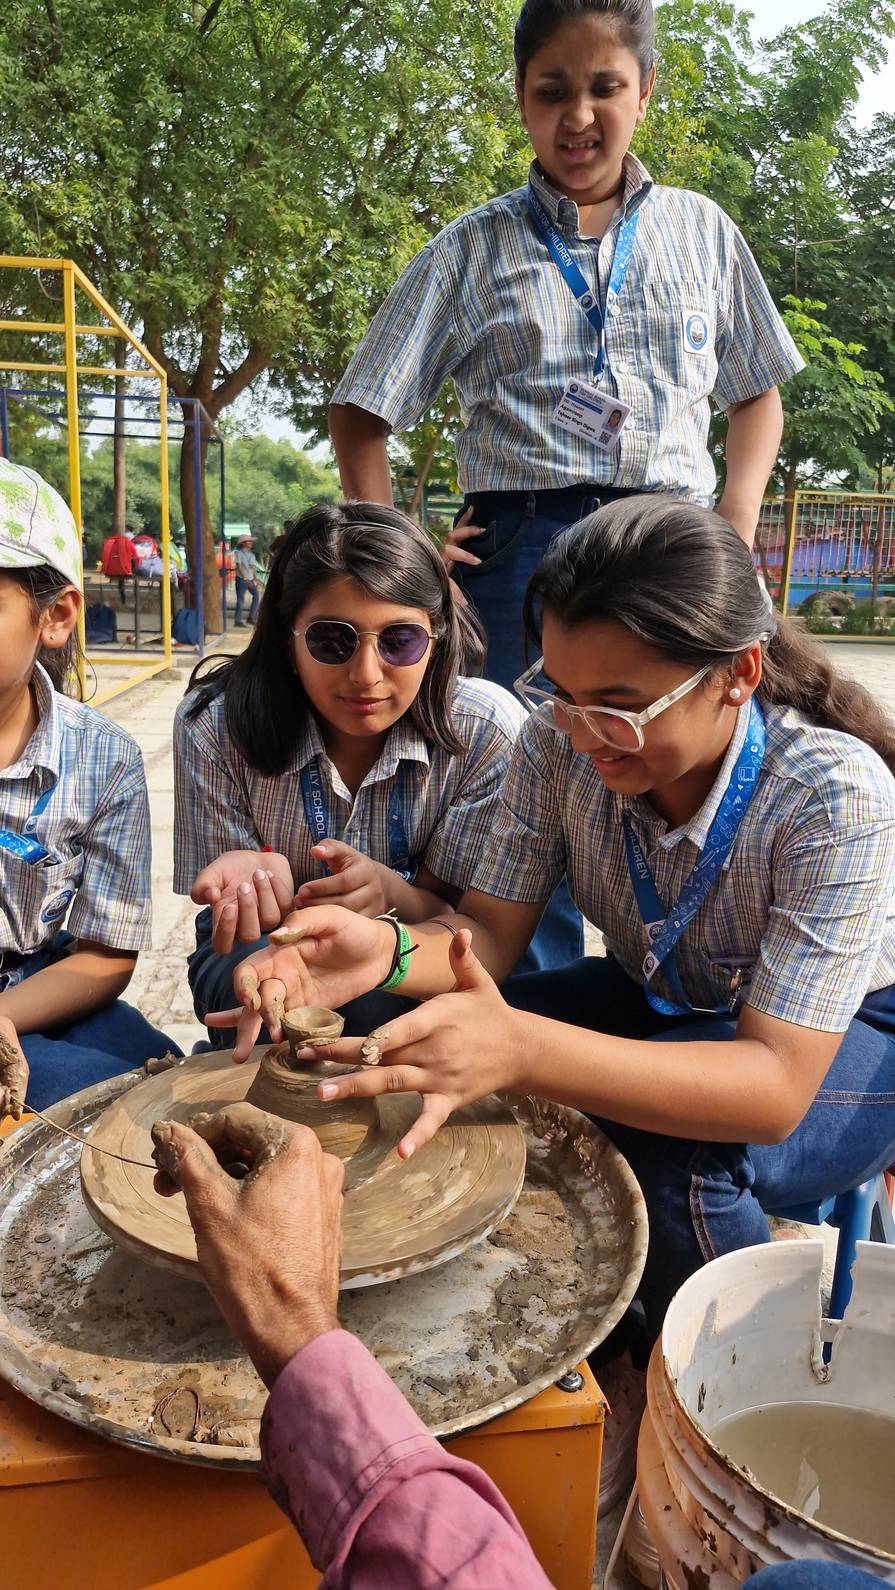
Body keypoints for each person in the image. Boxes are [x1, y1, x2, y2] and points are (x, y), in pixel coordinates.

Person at [221, 497, 895, 1352]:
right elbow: (489, 939)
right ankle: (574, 1314)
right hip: (663, 998)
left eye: (618, 705)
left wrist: (524, 1050)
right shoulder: (553, 744)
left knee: (680, 1149)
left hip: (847, 1039)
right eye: (560, 691)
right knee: (407, 1035)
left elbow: (770, 1088)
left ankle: (721, 1385)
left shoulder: (828, 792)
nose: (583, 735)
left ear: (739, 673)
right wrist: (380, 953)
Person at [329, 0, 803, 696]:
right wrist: (402, 561)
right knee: (511, 762)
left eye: (604, 87)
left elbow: (756, 394)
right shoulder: (469, 249)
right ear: (522, 100)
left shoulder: (703, 232)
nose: (577, 116)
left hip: (672, 543)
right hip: (516, 548)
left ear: (643, 91)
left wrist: (734, 519)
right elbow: (358, 410)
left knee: (666, 756)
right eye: (552, 92)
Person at [173, 501, 541, 1049]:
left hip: (413, 941)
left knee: (384, 1005)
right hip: (262, 938)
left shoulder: (484, 732)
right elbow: (233, 928)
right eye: (331, 640)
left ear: (436, 641)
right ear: (286, 639)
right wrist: (253, 884)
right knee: (265, 990)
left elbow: (461, 921)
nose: (366, 675)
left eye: (399, 641)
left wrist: (391, 893)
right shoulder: (216, 723)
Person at [0, 461, 179, 1119]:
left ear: (55, 616)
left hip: (44, 991)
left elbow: (106, 955)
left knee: (160, 1096)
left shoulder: (103, 759)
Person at [233, 533, 259, 627]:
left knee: (256, 597)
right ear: (243, 543)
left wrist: (255, 580)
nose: (251, 543)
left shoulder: (251, 555)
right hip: (241, 578)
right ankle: (237, 620)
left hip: (250, 579)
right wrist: (245, 578)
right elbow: (239, 566)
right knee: (240, 600)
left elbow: (253, 568)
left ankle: (251, 618)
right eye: (249, 541)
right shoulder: (238, 553)